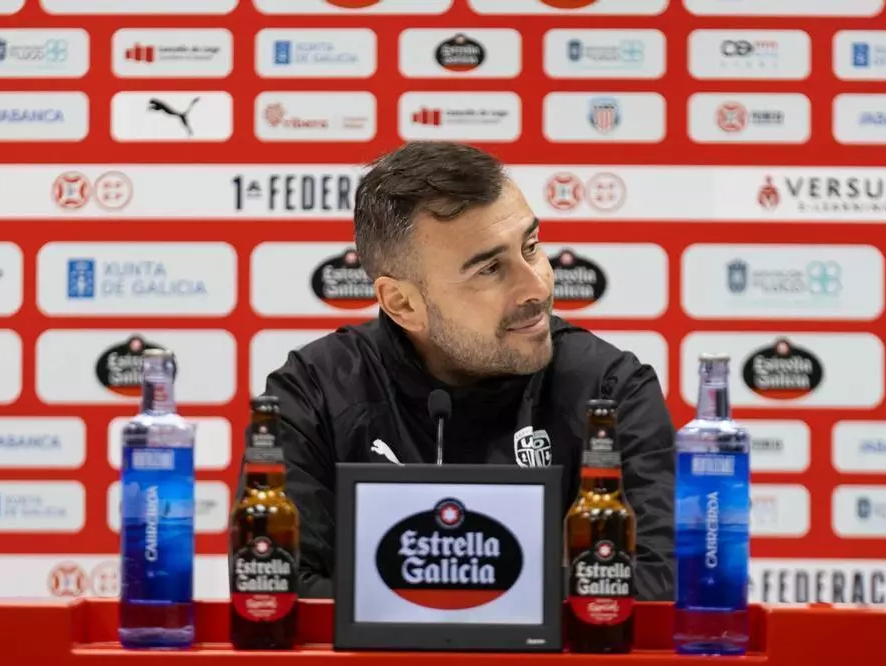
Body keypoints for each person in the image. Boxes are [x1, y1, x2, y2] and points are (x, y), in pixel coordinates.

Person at [258, 140, 676, 601]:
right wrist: (544, 586)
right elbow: (277, 588)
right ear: (403, 303)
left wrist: (427, 591)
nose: (536, 288)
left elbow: (658, 586)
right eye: (490, 269)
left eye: (531, 247)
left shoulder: (609, 389)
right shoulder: (315, 392)